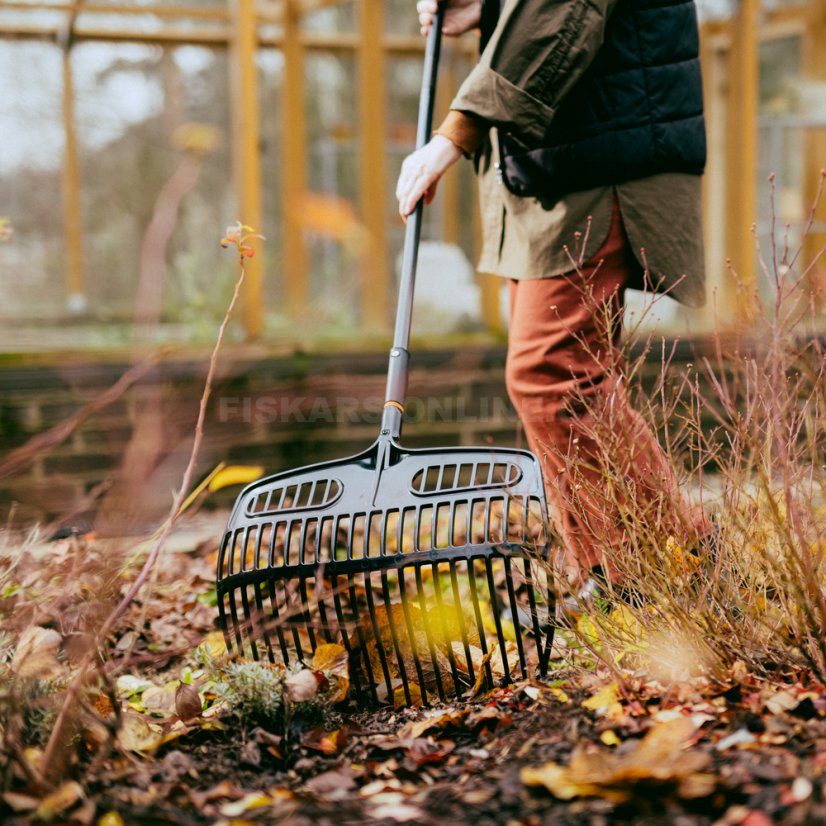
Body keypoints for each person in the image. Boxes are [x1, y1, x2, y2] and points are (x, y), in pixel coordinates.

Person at [396, 0, 711, 591]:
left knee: (552, 374)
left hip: (599, 157)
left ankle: (683, 561)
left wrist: (454, 134)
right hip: (558, 162)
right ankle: (612, 574)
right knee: (566, 375)